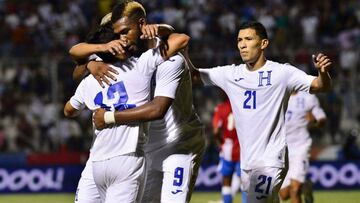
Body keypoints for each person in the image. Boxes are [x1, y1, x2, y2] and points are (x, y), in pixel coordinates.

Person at [186, 21, 332, 203]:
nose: (242, 44)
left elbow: (320, 86)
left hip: (271, 160)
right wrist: (181, 51)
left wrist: (323, 73)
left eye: (248, 39)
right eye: (239, 39)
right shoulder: (231, 74)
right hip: (247, 162)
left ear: (263, 43)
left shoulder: (282, 73)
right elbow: (192, 77)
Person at [64, 1, 190, 202]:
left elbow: (181, 39)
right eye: (116, 34)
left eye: (124, 32)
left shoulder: (144, 58)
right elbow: (76, 64)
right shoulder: (128, 62)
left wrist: (158, 30)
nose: (121, 39)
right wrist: (90, 63)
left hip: (140, 149)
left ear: (141, 25)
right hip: (106, 155)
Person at [279, 91, 326, 203]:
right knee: (284, 195)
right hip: (282, 149)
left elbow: (322, 119)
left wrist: (314, 121)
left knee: (295, 190)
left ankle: (301, 185)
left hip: (301, 146)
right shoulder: (277, 95)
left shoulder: (308, 98)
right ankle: (306, 185)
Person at [212, 92, 245, 203]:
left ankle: (226, 201)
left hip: (228, 149)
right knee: (244, 181)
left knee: (226, 180)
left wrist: (219, 142)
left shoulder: (221, 108)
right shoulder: (243, 107)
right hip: (243, 148)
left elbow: (216, 131)